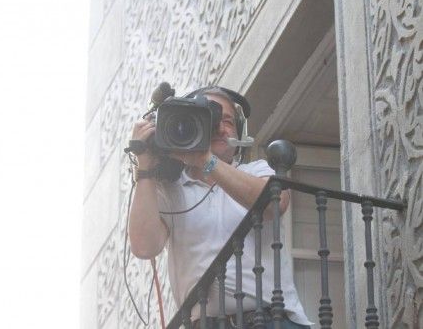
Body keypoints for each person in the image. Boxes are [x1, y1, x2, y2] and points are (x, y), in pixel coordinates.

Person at [128, 87, 312, 328]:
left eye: (226, 121)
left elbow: (275, 204)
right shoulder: (171, 191)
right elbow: (144, 247)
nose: (218, 127)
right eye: (208, 118)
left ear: (238, 134)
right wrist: (144, 167)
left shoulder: (254, 170)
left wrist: (204, 159)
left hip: (269, 320)